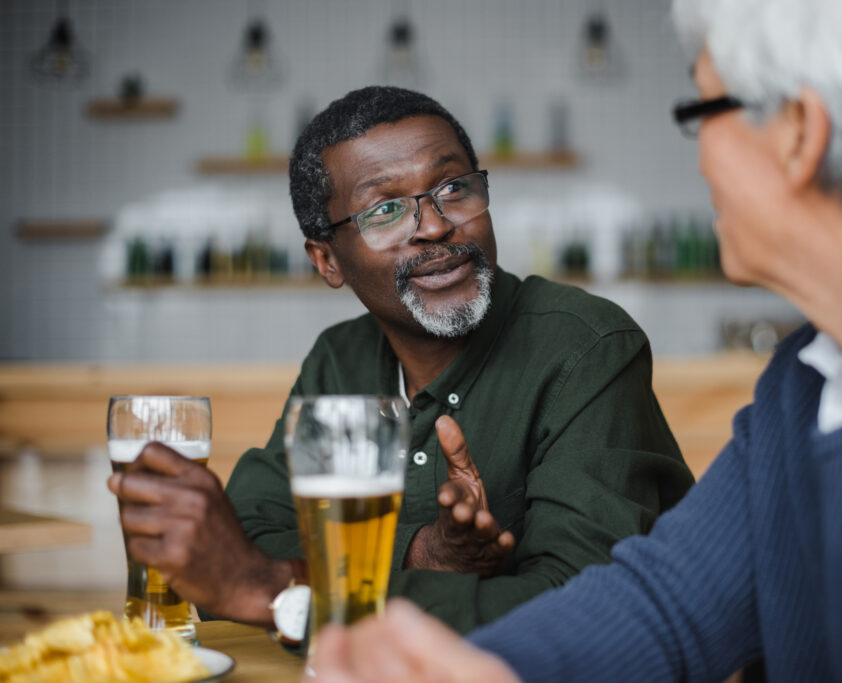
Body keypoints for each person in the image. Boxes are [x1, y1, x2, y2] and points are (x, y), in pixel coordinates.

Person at [302, 0, 842, 680]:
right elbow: (666, 605)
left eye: (702, 109)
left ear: (800, 133)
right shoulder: (808, 384)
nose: (700, 157)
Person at [107, 86, 693, 635]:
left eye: (454, 188)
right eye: (385, 210)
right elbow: (241, 543)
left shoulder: (586, 346)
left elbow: (584, 611)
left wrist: (276, 588)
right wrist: (422, 554)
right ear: (327, 261)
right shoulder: (339, 360)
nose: (435, 226)